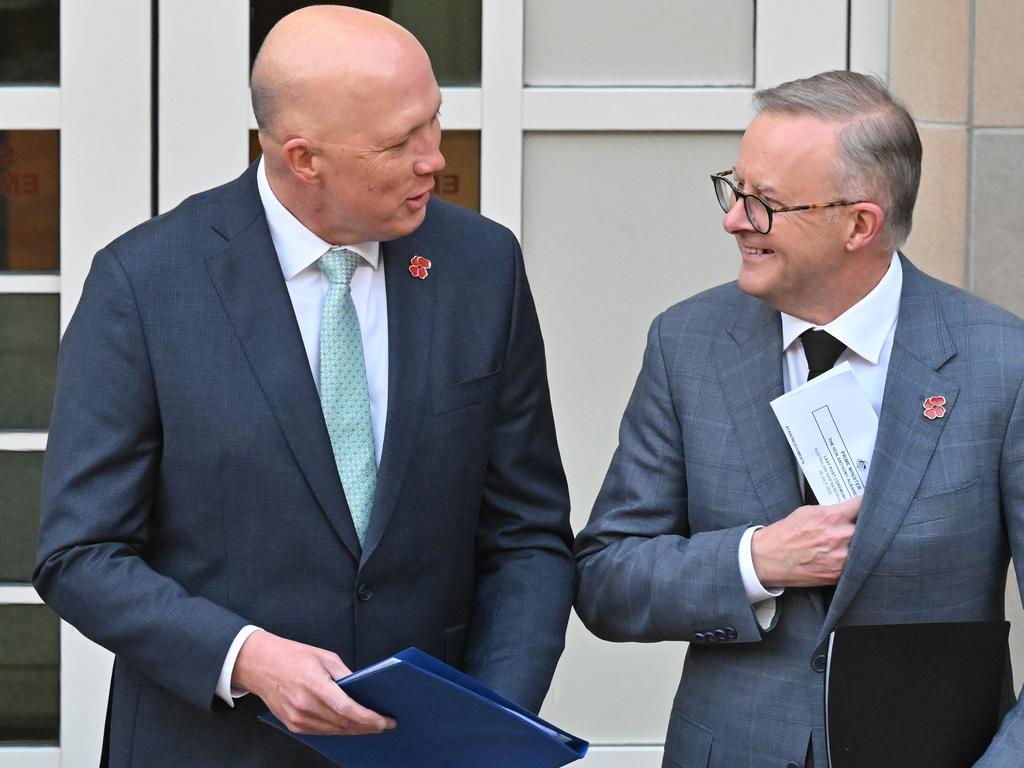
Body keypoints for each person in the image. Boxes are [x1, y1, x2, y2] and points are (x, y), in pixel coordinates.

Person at [34, 7, 574, 767]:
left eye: (434, 121)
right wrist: (246, 657)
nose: (434, 159)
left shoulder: (482, 267)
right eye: (399, 142)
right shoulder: (146, 283)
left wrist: (487, 726)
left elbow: (528, 536)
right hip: (207, 749)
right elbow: (80, 554)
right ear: (303, 157)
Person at [574, 70, 1024, 768]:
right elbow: (607, 578)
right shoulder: (688, 342)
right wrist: (755, 560)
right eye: (734, 188)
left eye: (765, 203)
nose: (733, 219)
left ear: (859, 224)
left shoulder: (1001, 364)